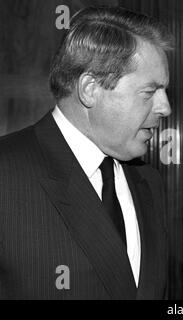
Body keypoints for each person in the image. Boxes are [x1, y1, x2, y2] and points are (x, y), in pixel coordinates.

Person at [0, 6, 172, 299]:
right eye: (149, 92)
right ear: (90, 89)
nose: (165, 107)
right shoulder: (7, 173)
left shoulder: (148, 182)